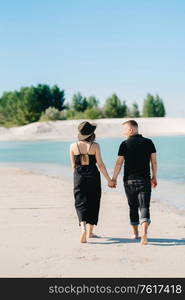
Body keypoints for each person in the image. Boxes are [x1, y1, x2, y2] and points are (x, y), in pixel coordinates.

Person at [110, 120, 157, 245]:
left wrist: (113, 178)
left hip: (129, 181)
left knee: (133, 206)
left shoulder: (124, 144)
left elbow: (119, 163)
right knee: (144, 206)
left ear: (131, 130)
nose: (123, 132)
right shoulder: (149, 142)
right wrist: (154, 177)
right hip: (144, 180)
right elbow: (154, 162)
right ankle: (145, 233)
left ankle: (136, 234)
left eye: (124, 130)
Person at [70, 121, 115, 243]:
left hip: (79, 176)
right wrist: (109, 180)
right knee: (93, 201)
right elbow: (100, 164)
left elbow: (73, 165)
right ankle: (90, 232)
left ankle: (83, 228)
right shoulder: (95, 146)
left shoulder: (73, 146)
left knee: (80, 202)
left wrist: (78, 176)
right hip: (93, 176)